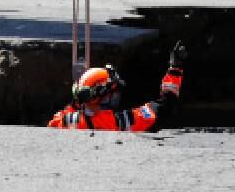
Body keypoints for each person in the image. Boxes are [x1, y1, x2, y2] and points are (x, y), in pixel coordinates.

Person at [47, 41, 188, 131]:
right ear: (104, 95)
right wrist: (175, 68)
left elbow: (56, 121)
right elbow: (165, 105)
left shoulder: (64, 120)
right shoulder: (119, 122)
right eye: (114, 93)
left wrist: (82, 91)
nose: (116, 97)